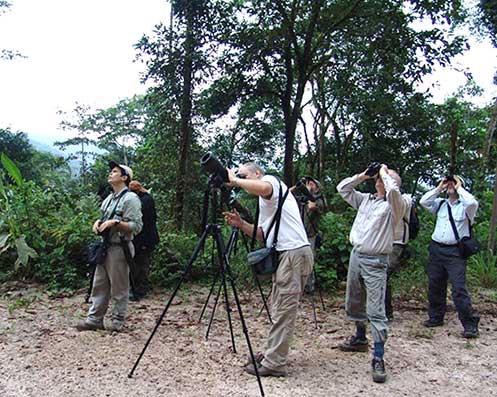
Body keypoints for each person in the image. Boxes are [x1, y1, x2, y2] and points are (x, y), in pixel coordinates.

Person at [223, 162, 313, 377]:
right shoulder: (266, 202)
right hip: (286, 255)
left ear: (257, 173)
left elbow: (263, 188)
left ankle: (274, 363)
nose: (241, 178)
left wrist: (234, 181)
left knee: (283, 310)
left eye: (244, 175)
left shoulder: (270, 181)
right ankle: (271, 353)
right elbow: (263, 234)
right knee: (278, 307)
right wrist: (241, 224)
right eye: (238, 176)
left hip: (293, 253)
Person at [336, 163, 407, 383]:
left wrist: (386, 172)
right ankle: (359, 337)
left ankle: (378, 356)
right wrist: (363, 175)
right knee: (354, 301)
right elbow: (343, 189)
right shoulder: (366, 200)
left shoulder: (396, 204)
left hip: (376, 260)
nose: (379, 179)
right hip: (357, 255)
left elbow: (393, 191)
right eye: (378, 177)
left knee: (376, 309)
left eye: (383, 178)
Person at [76, 161, 142, 332]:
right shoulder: (108, 199)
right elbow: (103, 218)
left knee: (119, 287)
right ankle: (94, 319)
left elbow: (137, 226)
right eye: (111, 171)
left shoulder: (131, 199)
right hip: (106, 246)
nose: (111, 174)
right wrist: (98, 223)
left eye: (115, 171)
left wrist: (116, 223)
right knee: (99, 284)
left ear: (124, 177)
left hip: (120, 248)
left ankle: (117, 322)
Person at [419, 175, 480, 338]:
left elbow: (473, 202)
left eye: (454, 182)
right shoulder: (441, 204)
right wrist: (440, 187)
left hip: (455, 252)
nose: (451, 185)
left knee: (459, 288)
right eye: (449, 183)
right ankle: (436, 317)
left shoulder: (466, 207)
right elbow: (423, 202)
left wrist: (459, 187)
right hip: (437, 249)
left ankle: (470, 324)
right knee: (435, 284)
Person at [291, 176, 326, 293]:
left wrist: (308, 191)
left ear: (317, 187)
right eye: (308, 183)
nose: (309, 185)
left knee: (308, 262)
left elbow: (311, 206)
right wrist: (298, 186)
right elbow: (286, 194)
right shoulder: (302, 199)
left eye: (312, 184)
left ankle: (309, 287)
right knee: (296, 261)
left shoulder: (319, 199)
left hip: (311, 235)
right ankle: (297, 287)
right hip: (298, 235)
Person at [128, 180, 160, 301]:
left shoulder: (146, 200)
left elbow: (146, 221)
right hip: (140, 238)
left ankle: (140, 290)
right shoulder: (143, 199)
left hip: (146, 238)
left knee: (142, 264)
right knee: (137, 263)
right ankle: (136, 288)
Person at [385, 193, 413, 320]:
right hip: (380, 241)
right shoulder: (378, 198)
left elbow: (398, 205)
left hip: (397, 242)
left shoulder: (405, 198)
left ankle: (386, 311)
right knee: (377, 275)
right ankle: (380, 310)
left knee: (384, 273)